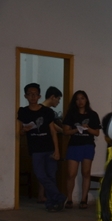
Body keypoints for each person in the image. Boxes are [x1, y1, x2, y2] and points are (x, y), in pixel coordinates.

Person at [17, 83, 67, 212]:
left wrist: (57, 150)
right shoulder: (23, 112)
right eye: (30, 94)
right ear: (25, 96)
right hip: (35, 149)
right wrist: (24, 130)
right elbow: (19, 131)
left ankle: (51, 203)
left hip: (49, 148)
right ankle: (59, 197)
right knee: (40, 175)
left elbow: (53, 131)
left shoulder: (47, 111)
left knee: (51, 175)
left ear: (39, 96)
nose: (33, 97)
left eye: (35, 94)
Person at [62, 90, 101, 209]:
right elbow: (65, 131)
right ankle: (69, 198)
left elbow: (97, 133)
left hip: (87, 146)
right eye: (77, 99)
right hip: (74, 146)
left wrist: (87, 128)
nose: (80, 101)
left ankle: (84, 199)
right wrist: (76, 129)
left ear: (86, 100)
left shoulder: (93, 115)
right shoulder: (71, 114)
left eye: (82, 98)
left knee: (86, 173)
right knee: (71, 174)